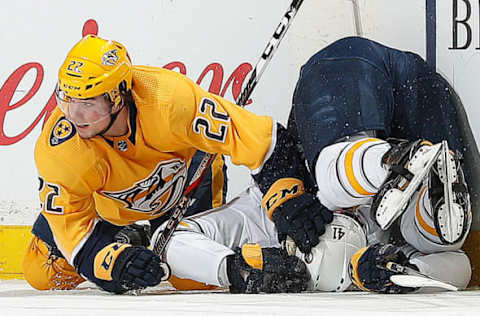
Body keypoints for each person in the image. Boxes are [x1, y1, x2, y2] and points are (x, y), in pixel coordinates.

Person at [23, 34, 332, 294]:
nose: (74, 116)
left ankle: (151, 239)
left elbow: (260, 139)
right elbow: (73, 230)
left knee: (190, 280)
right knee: (40, 271)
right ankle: (128, 237)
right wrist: (114, 261)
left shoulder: (169, 100)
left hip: (185, 183)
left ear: (118, 97)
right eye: (67, 101)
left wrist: (287, 197)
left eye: (88, 104)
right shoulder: (60, 148)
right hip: (108, 211)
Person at [288, 36, 473, 293]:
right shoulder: (372, 254)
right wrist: (399, 274)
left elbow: (269, 154)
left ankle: (391, 164)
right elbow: (462, 266)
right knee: (440, 242)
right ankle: (425, 187)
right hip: (423, 98)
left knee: (330, 181)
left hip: (355, 66)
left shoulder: (287, 217)